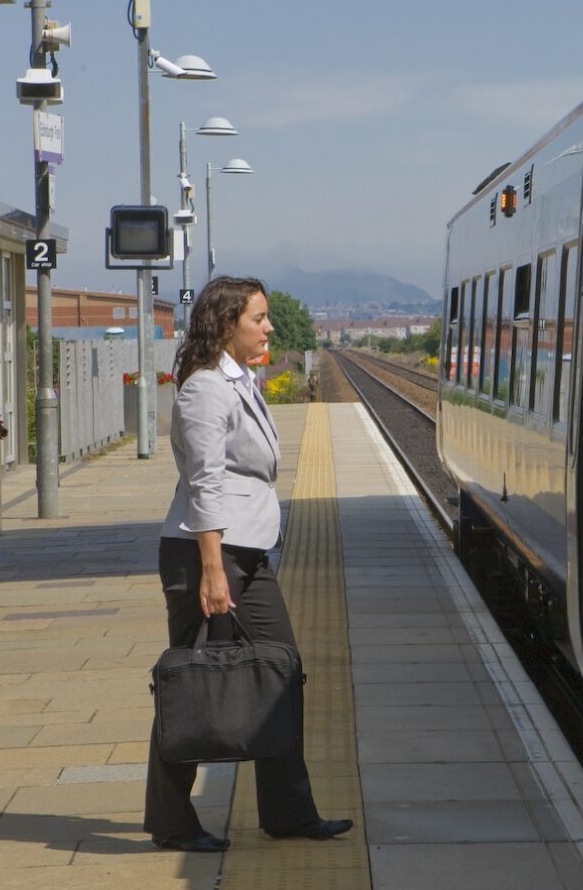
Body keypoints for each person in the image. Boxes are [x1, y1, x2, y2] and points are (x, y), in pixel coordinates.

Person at [143, 275, 353, 852]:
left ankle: (287, 810)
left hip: (246, 553)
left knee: (280, 671)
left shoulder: (238, 380)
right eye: (258, 318)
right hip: (206, 553)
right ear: (226, 323)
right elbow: (204, 483)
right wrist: (213, 569)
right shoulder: (206, 390)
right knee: (190, 680)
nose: (269, 327)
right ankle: (171, 820)